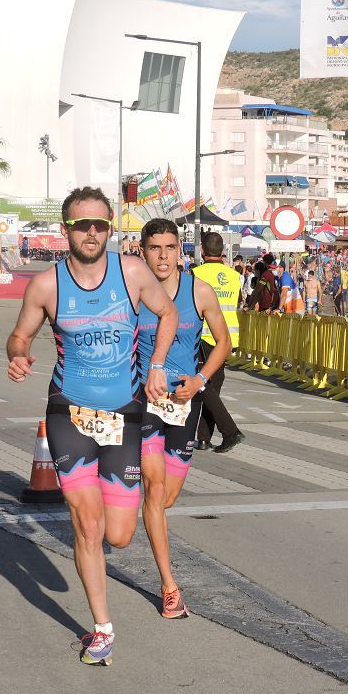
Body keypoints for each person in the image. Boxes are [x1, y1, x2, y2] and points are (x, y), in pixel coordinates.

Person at [6, 186, 177, 666]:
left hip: (125, 414)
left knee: (119, 534)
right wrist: (18, 356)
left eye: (100, 224)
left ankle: (95, 541)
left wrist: (158, 363)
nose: (92, 232)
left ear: (110, 228)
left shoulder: (132, 273)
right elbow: (19, 335)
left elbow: (168, 312)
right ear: (66, 231)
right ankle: (101, 627)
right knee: (88, 521)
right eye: (83, 225)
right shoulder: (47, 286)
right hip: (69, 413)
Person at [137, 219, 230, 619]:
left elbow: (223, 342)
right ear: (142, 250)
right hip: (140, 401)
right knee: (154, 491)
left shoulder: (200, 291)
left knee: (167, 497)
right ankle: (169, 586)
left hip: (183, 403)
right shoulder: (131, 293)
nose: (162, 255)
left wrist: (200, 380)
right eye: (154, 247)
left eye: (169, 247)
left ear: (181, 251)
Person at [192, 232, 245, 453]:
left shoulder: (196, 273)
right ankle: (204, 437)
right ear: (222, 251)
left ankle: (230, 431)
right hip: (227, 336)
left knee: (202, 384)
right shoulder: (234, 276)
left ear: (202, 251)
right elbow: (239, 301)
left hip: (204, 334)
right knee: (211, 387)